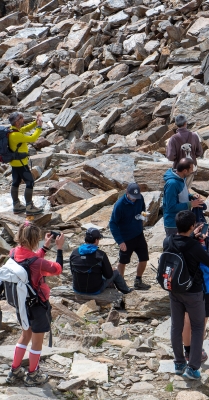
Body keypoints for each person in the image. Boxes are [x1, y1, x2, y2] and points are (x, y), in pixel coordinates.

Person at [6, 222, 65, 386]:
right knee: (37, 341)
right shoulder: (37, 263)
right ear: (33, 240)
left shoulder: (12, 253)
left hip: (21, 304)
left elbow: (30, 260)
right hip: (37, 306)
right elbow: (57, 269)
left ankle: (15, 370)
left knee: (25, 335)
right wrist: (59, 248)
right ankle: (33, 374)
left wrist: (45, 248)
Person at [164, 210, 209, 381]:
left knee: (176, 326)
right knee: (198, 327)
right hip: (193, 292)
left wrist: (192, 237)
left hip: (174, 289)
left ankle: (179, 363)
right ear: (192, 226)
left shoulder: (168, 240)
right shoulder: (194, 246)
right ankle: (193, 368)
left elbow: (181, 246)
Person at [182, 225, 209, 362]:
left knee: (187, 321)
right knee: (202, 323)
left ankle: (187, 350)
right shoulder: (205, 251)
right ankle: (196, 351)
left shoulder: (188, 247)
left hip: (188, 290)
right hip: (207, 290)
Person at [109, 183, 151, 290]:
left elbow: (142, 209)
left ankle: (138, 280)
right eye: (132, 197)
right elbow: (113, 223)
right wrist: (120, 241)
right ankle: (121, 284)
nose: (134, 199)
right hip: (126, 238)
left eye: (136, 197)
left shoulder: (139, 198)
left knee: (144, 258)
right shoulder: (120, 205)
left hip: (138, 234)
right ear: (127, 193)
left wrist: (142, 216)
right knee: (123, 261)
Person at [69, 228, 133, 295]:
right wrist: (111, 270)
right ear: (96, 240)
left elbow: (72, 272)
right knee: (116, 272)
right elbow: (108, 275)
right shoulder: (100, 255)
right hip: (94, 290)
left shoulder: (74, 253)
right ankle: (127, 291)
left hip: (77, 289)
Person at [8, 112, 44, 216]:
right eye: (21, 118)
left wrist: (35, 122)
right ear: (16, 121)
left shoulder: (13, 130)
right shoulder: (16, 135)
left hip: (14, 163)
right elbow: (33, 138)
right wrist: (39, 127)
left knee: (16, 181)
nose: (23, 119)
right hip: (21, 163)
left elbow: (26, 128)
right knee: (30, 182)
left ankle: (16, 205)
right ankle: (29, 206)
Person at [163, 158, 204, 237]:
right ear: (185, 171)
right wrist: (190, 204)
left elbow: (180, 196)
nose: (192, 171)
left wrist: (191, 196)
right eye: (191, 169)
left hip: (182, 222)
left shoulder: (182, 178)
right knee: (174, 248)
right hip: (173, 224)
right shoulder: (172, 184)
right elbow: (170, 207)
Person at [166, 114, 203, 189]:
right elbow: (199, 152)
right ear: (186, 123)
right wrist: (192, 155)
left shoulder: (173, 138)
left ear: (176, 124)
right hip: (191, 168)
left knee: (179, 190)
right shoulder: (194, 136)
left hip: (178, 169)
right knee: (186, 189)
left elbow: (170, 156)